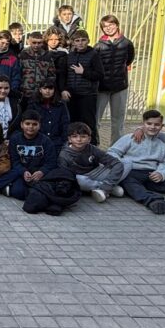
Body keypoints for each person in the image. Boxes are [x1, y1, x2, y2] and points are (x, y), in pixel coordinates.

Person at [94, 15, 136, 145]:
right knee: (96, 119)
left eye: (111, 25)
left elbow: (129, 60)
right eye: (105, 26)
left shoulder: (127, 43)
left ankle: (116, 147)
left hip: (120, 86)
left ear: (117, 25)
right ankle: (95, 145)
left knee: (118, 120)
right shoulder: (98, 46)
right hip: (102, 87)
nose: (108, 28)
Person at [58, 121, 125, 202]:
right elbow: (65, 175)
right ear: (69, 139)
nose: (79, 139)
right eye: (75, 137)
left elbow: (114, 162)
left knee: (126, 163)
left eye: (83, 137)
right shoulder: (64, 155)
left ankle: (105, 188)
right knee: (78, 181)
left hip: (97, 172)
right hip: (81, 177)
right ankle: (109, 188)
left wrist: (108, 183)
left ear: (89, 139)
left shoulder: (92, 149)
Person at [63, 30, 104, 145]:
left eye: (83, 40)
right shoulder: (70, 56)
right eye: (77, 40)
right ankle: (73, 146)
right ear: (73, 42)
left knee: (88, 122)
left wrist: (84, 72)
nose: (80, 43)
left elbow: (100, 74)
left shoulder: (94, 55)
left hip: (87, 94)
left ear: (88, 41)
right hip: (72, 94)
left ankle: (92, 146)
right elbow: (65, 75)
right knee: (72, 121)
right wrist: (64, 89)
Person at [5, 110, 57, 200]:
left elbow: (51, 162)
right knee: (18, 192)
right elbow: (14, 161)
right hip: (22, 174)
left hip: (40, 174)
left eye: (34, 124)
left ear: (39, 125)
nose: (31, 127)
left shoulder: (46, 141)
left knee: (47, 189)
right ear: (22, 125)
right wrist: (23, 171)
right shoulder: (15, 139)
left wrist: (42, 171)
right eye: (27, 124)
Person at [18, 31, 65, 110]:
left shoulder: (47, 55)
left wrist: (46, 89)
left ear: (42, 43)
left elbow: (52, 75)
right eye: (34, 42)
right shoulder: (23, 55)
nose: (36, 45)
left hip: (41, 94)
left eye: (39, 43)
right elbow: (18, 73)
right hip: (25, 93)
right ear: (29, 41)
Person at [26, 81, 70, 151]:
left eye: (50, 88)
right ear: (40, 90)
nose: (47, 91)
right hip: (37, 141)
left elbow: (65, 124)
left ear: (54, 90)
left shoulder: (61, 105)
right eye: (45, 88)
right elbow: (29, 124)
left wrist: (64, 141)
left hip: (57, 142)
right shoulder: (33, 104)